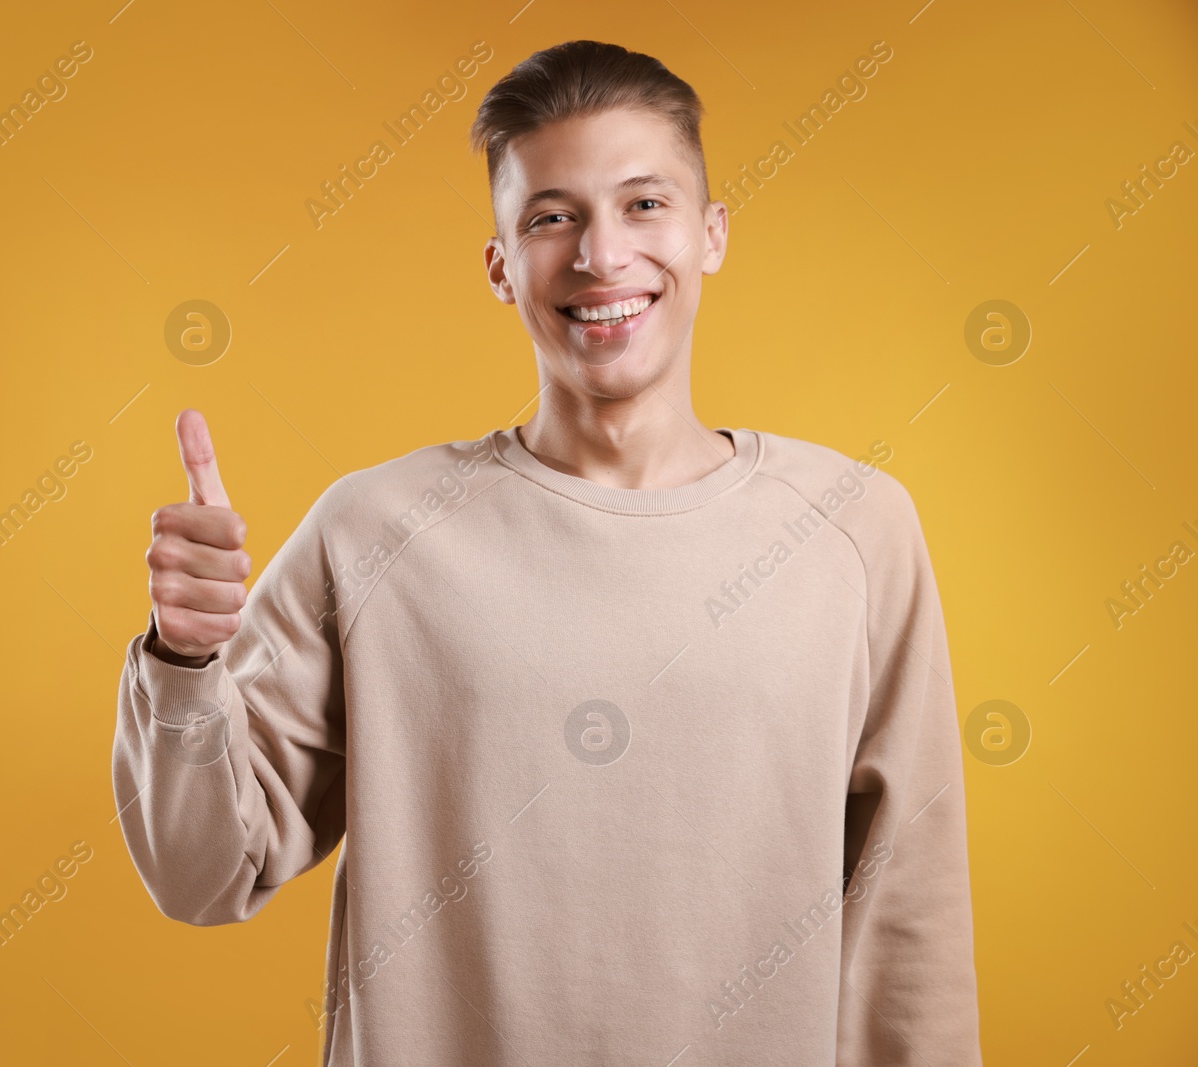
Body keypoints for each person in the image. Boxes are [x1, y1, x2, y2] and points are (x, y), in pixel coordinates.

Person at [112, 38, 982, 1067]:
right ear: (499, 266)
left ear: (711, 235)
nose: (600, 255)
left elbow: (908, 917)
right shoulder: (373, 531)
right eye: (550, 216)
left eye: (643, 204)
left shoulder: (852, 525)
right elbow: (203, 871)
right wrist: (185, 664)